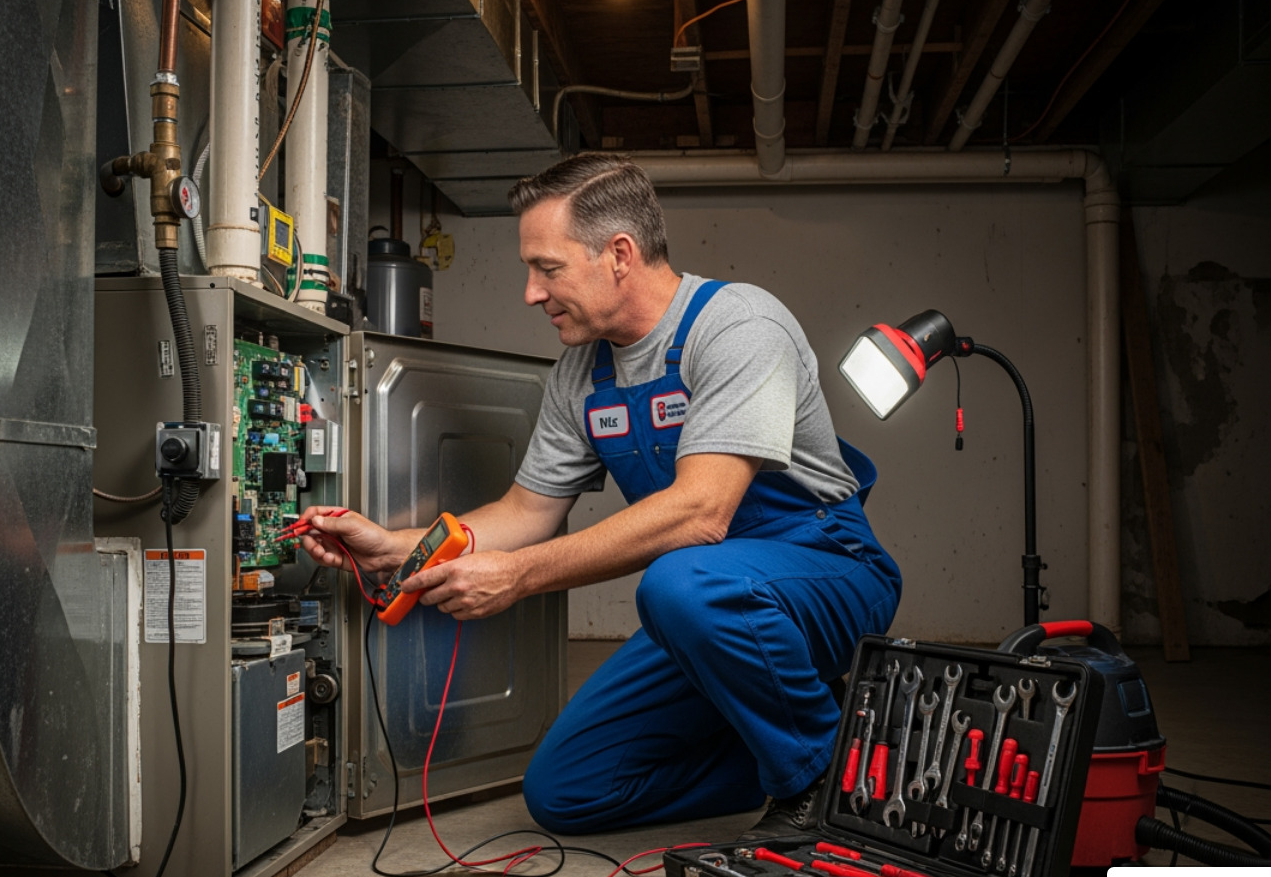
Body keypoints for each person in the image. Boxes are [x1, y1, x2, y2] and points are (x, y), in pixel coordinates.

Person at [296, 153, 901, 836]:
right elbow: (526, 512)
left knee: (679, 583)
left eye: (547, 268)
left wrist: (519, 578)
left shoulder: (738, 327)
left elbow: (703, 514)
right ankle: (802, 743)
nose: (530, 292)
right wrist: (394, 548)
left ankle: (826, 778)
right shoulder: (581, 375)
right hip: (712, 601)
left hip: (826, 568)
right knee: (568, 789)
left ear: (619, 254)